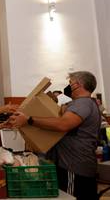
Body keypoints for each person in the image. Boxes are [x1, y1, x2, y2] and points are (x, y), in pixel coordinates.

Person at [9, 71, 100, 200]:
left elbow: (63, 124)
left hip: (74, 167)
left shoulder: (83, 103)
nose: (68, 87)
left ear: (78, 85)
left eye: (70, 83)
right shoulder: (82, 103)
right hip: (73, 165)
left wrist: (29, 119)